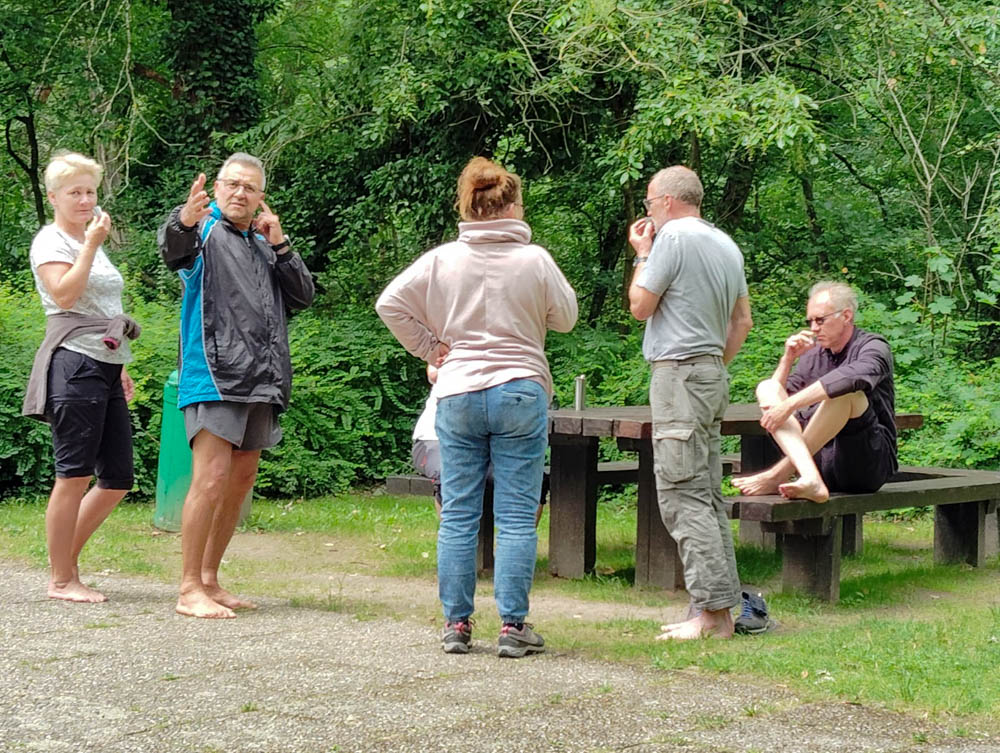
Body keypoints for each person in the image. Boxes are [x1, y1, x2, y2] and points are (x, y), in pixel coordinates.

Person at [377, 156, 577, 657]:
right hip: (519, 388)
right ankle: (512, 627)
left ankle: (456, 625)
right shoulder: (535, 260)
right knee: (515, 514)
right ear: (512, 205)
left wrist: (431, 348)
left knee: (459, 515)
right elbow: (567, 319)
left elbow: (389, 304)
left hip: (458, 390)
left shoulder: (442, 259)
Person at [159, 152, 315, 619]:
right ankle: (188, 589)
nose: (240, 193)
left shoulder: (267, 245)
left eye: (249, 187)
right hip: (214, 374)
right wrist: (183, 218)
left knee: (241, 479)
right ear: (219, 188)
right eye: (232, 184)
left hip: (262, 379)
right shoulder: (203, 232)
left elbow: (302, 295)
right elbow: (173, 248)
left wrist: (283, 245)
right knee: (210, 478)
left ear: (261, 196)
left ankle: (210, 579)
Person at [627, 165, 753, 641]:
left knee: (682, 493)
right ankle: (717, 606)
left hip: (678, 373)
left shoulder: (672, 240)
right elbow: (742, 321)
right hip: (711, 374)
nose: (648, 214)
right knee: (706, 492)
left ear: (665, 201)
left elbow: (640, 305)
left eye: (648, 205)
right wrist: (713, 363)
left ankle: (714, 617)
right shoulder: (725, 244)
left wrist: (643, 254)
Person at [22, 151, 139, 603]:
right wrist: (89, 244)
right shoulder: (50, 242)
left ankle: (63, 562)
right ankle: (61, 579)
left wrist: (122, 365)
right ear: (54, 197)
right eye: (75, 192)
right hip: (73, 363)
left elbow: (106, 310)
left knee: (118, 479)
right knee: (73, 475)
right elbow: (66, 294)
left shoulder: (95, 239)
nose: (85, 199)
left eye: (90, 191)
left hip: (106, 364)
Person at [733, 281, 896, 502]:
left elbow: (853, 377)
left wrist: (790, 405)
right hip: (818, 463)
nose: (813, 328)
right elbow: (777, 402)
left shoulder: (874, 347)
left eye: (820, 320)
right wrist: (787, 359)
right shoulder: (813, 354)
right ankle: (810, 477)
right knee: (767, 387)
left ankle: (779, 474)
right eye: (810, 321)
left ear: (846, 316)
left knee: (846, 393)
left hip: (865, 465)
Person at [412, 365, 546, 525]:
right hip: (434, 439)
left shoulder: (514, 354)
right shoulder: (452, 346)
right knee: (451, 475)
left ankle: (517, 545)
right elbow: (433, 372)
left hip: (494, 443)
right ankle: (456, 544)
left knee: (532, 477)